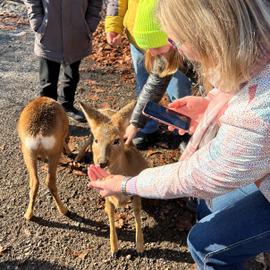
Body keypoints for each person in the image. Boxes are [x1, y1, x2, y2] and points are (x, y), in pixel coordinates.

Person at [89, 0, 270, 269]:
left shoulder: (257, 115)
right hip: (260, 171)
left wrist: (124, 184)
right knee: (208, 206)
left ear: (206, 33)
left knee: (205, 244)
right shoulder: (256, 48)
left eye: (175, 39)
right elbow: (237, 88)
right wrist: (211, 106)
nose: (172, 46)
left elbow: (197, 175)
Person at [105, 0, 192, 149]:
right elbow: (153, 87)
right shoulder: (167, 52)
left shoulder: (204, 53)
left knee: (180, 92)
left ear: (173, 37)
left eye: (155, 48)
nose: (150, 53)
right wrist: (135, 124)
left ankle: (186, 133)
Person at [23, 0, 102, 123]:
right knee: (47, 80)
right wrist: (37, 21)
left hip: (76, 34)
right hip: (48, 34)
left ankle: (67, 106)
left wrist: (90, 23)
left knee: (71, 75)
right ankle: (48, 113)